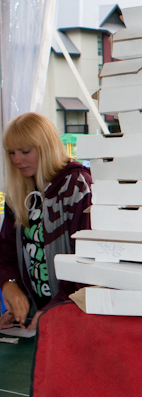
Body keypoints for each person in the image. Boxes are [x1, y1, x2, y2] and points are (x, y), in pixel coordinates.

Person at [0, 112, 92, 331]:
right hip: (39, 315)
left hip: (73, 317)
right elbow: (6, 249)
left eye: (25, 151)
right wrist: (10, 286)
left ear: (47, 146)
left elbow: (86, 259)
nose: (16, 160)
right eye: (11, 153)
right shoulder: (18, 191)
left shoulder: (77, 185)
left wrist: (56, 306)